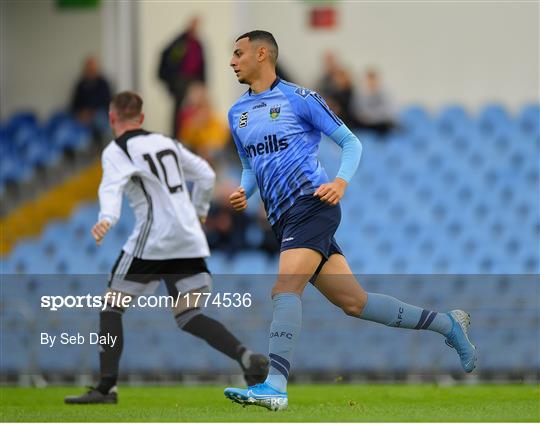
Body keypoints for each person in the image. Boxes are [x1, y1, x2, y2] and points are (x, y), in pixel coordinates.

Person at [223, 31, 477, 411]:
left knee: (284, 289)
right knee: (355, 303)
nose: (232, 61)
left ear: (263, 54)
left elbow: (351, 142)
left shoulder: (300, 98)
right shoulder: (236, 113)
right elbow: (250, 165)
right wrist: (246, 191)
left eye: (239, 53)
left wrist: (340, 182)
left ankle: (274, 384)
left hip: (312, 205)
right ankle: (447, 324)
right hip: (283, 219)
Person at [65, 91, 268, 404]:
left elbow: (111, 188)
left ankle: (106, 388)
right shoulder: (167, 142)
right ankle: (246, 357)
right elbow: (206, 173)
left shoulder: (117, 149)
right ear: (142, 118)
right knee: (188, 314)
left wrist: (107, 218)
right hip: (188, 237)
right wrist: (200, 211)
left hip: (154, 238)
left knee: (110, 307)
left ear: (112, 118)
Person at [158, 17, 206, 137]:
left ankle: (193, 136)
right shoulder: (180, 43)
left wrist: (202, 83)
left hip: (194, 80)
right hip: (181, 81)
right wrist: (171, 80)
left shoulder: (198, 44)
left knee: (196, 110)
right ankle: (177, 136)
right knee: (179, 111)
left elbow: (202, 65)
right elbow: (169, 61)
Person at [70, 55, 112, 136]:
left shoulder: (103, 84)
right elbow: (74, 105)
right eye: (88, 68)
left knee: (100, 119)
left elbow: (107, 103)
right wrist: (80, 114)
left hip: (99, 115)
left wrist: (91, 114)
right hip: (82, 118)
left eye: (92, 68)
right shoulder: (80, 85)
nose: (90, 70)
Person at [352, 68, 397, 136]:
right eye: (368, 80)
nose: (371, 82)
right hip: (367, 123)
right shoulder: (361, 93)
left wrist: (373, 117)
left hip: (382, 122)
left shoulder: (385, 92)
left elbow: (388, 110)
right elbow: (358, 110)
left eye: (372, 80)